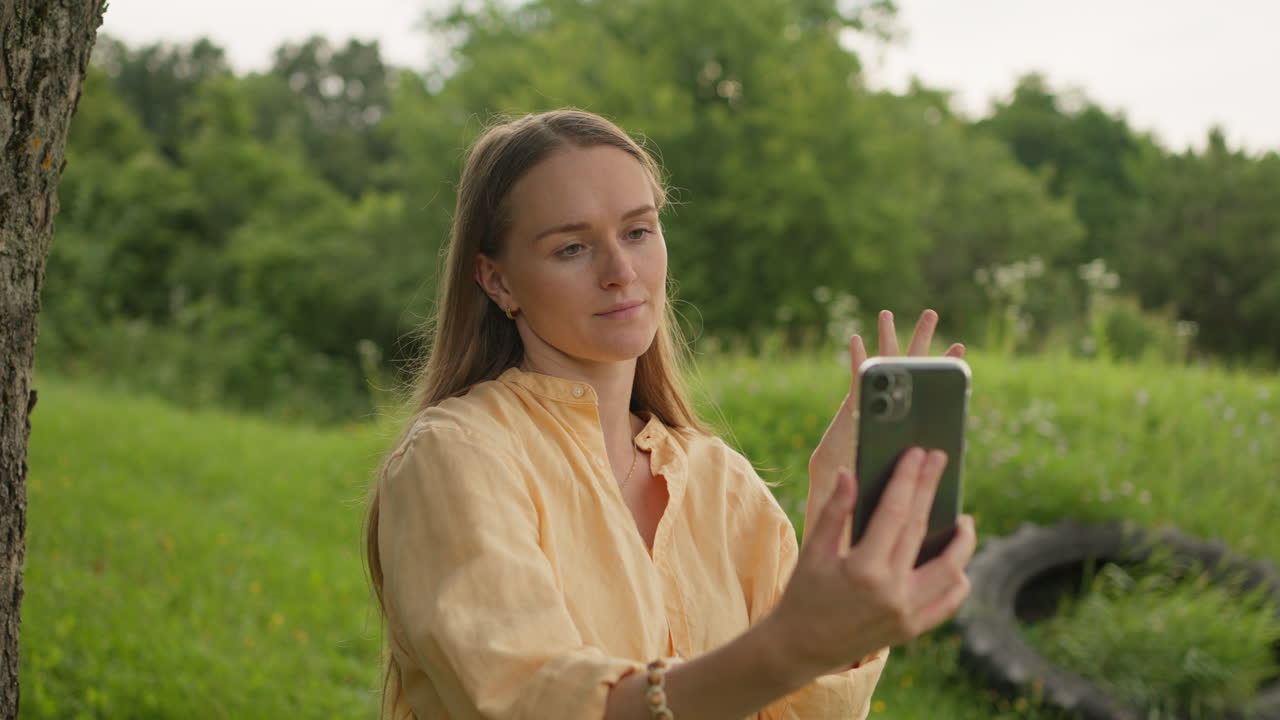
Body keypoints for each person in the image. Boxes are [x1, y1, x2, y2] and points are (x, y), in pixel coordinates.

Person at [363, 109, 976, 720]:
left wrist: (836, 542)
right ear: (497, 281)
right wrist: (789, 647)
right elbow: (532, 702)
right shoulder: (459, 456)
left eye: (638, 231)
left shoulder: (722, 481)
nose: (621, 272)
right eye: (572, 248)